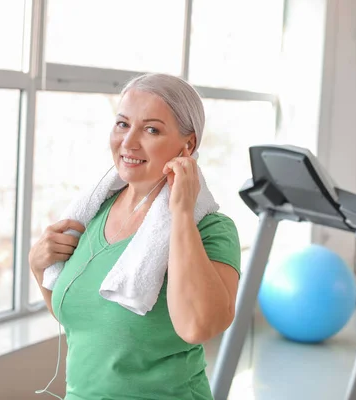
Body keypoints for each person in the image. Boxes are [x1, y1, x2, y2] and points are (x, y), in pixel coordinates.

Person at [29, 73, 241, 400]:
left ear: (188, 145)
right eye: (122, 124)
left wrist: (181, 213)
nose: (129, 142)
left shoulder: (211, 230)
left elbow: (199, 326)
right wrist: (39, 268)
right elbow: (88, 323)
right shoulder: (92, 212)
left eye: (151, 129)